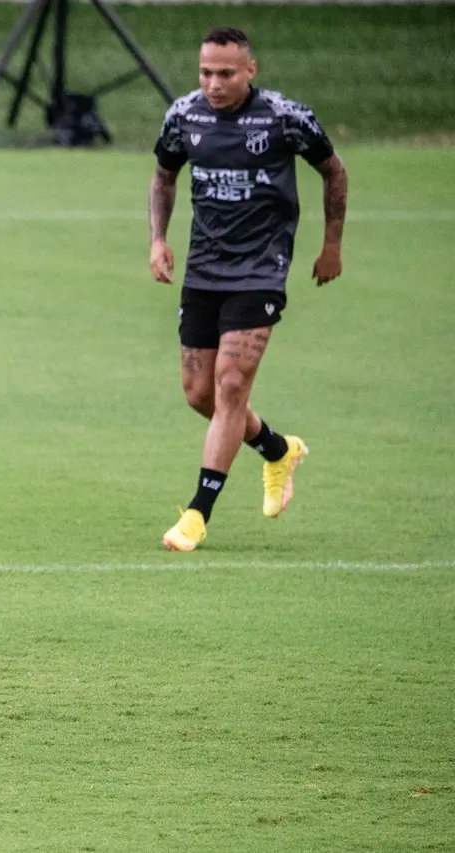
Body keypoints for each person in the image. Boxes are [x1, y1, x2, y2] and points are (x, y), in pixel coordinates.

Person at [148, 27, 348, 551]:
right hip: (204, 268)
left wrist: (332, 246)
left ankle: (196, 513)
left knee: (232, 384)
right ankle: (279, 449)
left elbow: (334, 170)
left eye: (226, 74)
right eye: (206, 72)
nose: (214, 84)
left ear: (250, 70)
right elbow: (164, 177)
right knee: (202, 395)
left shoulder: (285, 117)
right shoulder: (184, 115)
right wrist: (157, 240)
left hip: (262, 268)